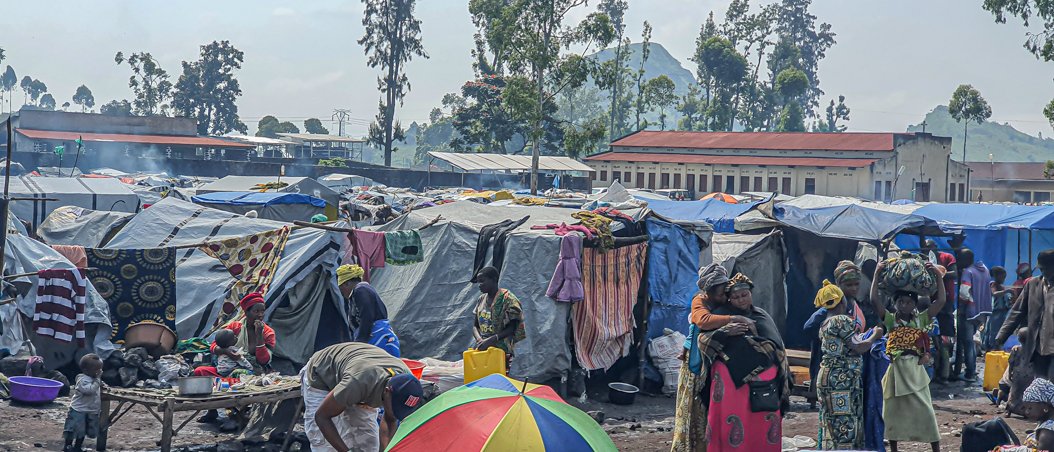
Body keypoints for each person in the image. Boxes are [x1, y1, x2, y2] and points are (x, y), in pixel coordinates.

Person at [702, 273, 790, 452]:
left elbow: (776, 346)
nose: (741, 300)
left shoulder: (761, 315)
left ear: (751, 294)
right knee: (731, 418)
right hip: (729, 380)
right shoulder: (720, 315)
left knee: (761, 419)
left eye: (744, 295)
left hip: (763, 379)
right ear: (729, 299)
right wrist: (726, 331)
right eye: (735, 297)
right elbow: (703, 340)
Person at [869, 259, 947, 452]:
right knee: (893, 412)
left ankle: (935, 447)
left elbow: (941, 301)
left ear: (914, 304)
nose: (904, 305)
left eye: (909, 302)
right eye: (901, 302)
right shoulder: (889, 320)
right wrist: (877, 274)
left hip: (915, 370)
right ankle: (894, 448)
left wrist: (937, 274)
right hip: (895, 370)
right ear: (895, 304)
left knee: (925, 410)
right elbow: (874, 300)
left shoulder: (921, 319)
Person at [672, 263, 751, 452]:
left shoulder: (723, 304)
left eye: (725, 293)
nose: (724, 297)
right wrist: (732, 320)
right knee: (695, 405)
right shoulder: (700, 301)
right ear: (708, 292)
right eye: (720, 294)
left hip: (716, 363)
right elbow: (702, 321)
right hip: (697, 363)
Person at [300, 342, 424, 452]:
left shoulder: (406, 382)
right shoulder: (358, 382)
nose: (396, 412)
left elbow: (391, 419)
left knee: (368, 443)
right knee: (325, 445)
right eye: (395, 407)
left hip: (358, 376)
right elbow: (321, 416)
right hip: (323, 373)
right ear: (387, 392)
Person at [814, 280, 884, 450]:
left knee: (831, 421)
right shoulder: (841, 321)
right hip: (842, 380)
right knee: (845, 424)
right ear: (841, 300)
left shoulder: (825, 324)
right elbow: (859, 347)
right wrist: (875, 335)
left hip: (828, 377)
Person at [195, 292, 276, 426]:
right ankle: (212, 409)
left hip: (252, 374)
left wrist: (259, 336)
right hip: (227, 370)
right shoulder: (235, 327)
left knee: (238, 375)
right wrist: (226, 351)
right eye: (256, 311)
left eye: (263, 311)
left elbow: (264, 361)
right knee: (200, 372)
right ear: (247, 312)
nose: (260, 315)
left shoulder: (267, 332)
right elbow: (213, 346)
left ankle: (239, 409)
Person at [804, 261, 869, 396]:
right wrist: (830, 337)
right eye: (848, 285)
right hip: (835, 371)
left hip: (851, 370)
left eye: (856, 284)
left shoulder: (855, 304)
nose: (854, 288)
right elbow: (809, 327)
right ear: (838, 285)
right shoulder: (832, 308)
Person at [997, 249, 1054, 380]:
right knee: (1039, 384)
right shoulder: (1033, 284)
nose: (1043, 272)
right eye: (1041, 269)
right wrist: (1001, 336)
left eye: (1047, 269)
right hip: (1038, 346)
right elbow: (1017, 311)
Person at [337, 264, 399, 355]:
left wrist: (360, 343)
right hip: (374, 337)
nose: (341, 292)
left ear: (347, 283)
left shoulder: (361, 290)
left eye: (341, 288)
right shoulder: (355, 294)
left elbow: (367, 317)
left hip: (378, 338)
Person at [473, 266, 526, 364]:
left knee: (499, 375)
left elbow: (512, 327)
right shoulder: (481, 299)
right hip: (483, 348)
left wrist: (492, 339)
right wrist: (479, 340)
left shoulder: (508, 299)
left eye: (482, 281)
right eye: (478, 282)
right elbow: (475, 326)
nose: (479, 285)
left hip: (501, 350)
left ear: (494, 280)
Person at [922, 239, 957, 384]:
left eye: (930, 247)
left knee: (946, 338)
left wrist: (939, 272)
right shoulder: (923, 260)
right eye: (925, 248)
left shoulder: (947, 257)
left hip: (946, 301)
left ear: (936, 247)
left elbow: (954, 273)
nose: (928, 250)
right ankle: (936, 372)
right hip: (929, 302)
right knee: (933, 338)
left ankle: (946, 373)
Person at [955, 248, 991, 382]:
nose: (958, 262)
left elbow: (964, 293)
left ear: (966, 259)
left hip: (969, 311)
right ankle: (972, 369)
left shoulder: (967, 272)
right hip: (982, 312)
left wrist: (961, 309)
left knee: (968, 343)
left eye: (960, 259)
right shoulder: (984, 269)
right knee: (972, 341)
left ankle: (970, 372)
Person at [993, 378, 1054, 451]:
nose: (1026, 412)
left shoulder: (1047, 433)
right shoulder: (1045, 424)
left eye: (1030, 408)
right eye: (1025, 408)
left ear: (1045, 407)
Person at [64, 354, 102, 452]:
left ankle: (77, 447)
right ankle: (67, 446)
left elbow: (96, 387)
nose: (100, 371)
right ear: (86, 370)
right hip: (78, 410)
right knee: (74, 429)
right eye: (97, 369)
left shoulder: (94, 378)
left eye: (100, 369)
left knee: (83, 431)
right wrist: (98, 381)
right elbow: (89, 390)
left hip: (89, 410)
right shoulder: (82, 380)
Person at [985, 266, 1014, 351]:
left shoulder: (1001, 286)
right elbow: (994, 293)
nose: (1004, 279)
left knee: (1000, 330)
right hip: (996, 312)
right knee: (993, 331)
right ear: (996, 276)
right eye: (1002, 277)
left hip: (1003, 312)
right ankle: (992, 347)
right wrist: (1006, 291)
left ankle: (997, 346)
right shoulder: (993, 284)